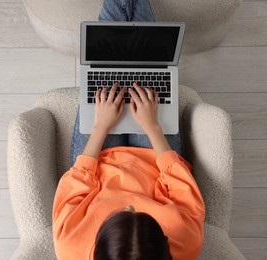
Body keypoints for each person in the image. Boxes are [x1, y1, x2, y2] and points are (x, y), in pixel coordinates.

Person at [53, 1, 205, 259]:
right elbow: (181, 187)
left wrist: (101, 126)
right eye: (143, 213)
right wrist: (152, 126)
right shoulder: (185, 242)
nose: (131, 202)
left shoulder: (71, 246)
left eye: (120, 213)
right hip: (156, 162)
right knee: (147, 66)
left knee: (105, 66)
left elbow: (75, 184)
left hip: (97, 162)